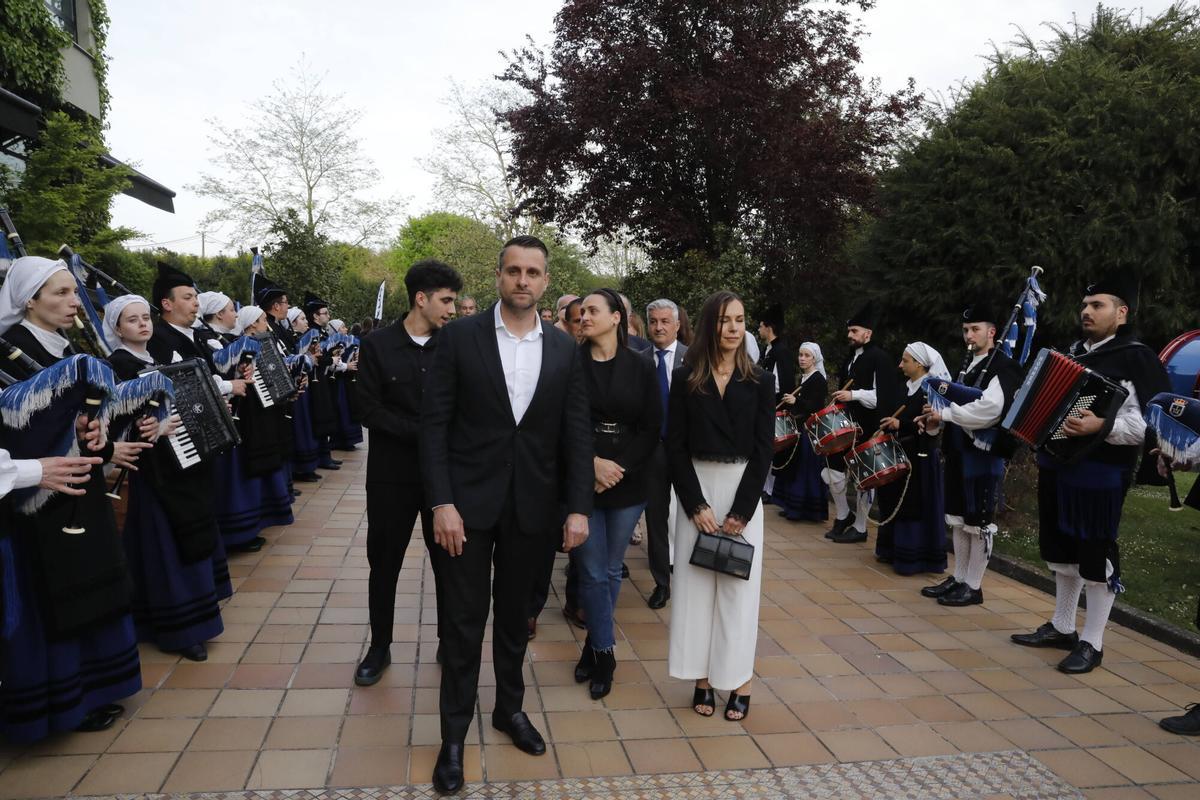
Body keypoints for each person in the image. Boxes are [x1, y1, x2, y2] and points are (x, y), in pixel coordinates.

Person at [420, 235, 592, 794]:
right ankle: (452, 740)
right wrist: (442, 502)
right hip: (464, 509)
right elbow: (434, 427)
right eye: (513, 270)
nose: (523, 280)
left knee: (517, 619)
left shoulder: (566, 349)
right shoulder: (460, 337)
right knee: (463, 625)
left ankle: (508, 709)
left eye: (533, 272)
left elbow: (576, 434)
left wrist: (578, 508)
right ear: (498, 276)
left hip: (535, 509)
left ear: (545, 281)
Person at [0, 256, 142, 739]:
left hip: (77, 488)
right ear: (28, 300)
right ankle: (58, 706)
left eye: (72, 291)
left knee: (91, 585)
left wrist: (101, 441)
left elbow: (84, 424)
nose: (71, 301)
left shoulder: (67, 351)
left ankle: (94, 687)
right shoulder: (8, 352)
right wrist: (36, 469)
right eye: (57, 293)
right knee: (50, 598)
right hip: (32, 500)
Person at [1009, 277, 1169, 674]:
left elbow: (1152, 423)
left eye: (1097, 305)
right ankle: (1063, 625)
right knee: (1062, 552)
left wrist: (1101, 425)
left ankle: (1092, 642)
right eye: (1085, 304)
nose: (1086, 311)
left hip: (1101, 473)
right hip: (1058, 465)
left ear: (1121, 312)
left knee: (1095, 557)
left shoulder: (1137, 358)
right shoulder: (1072, 354)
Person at [104, 294, 231, 663]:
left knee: (186, 533)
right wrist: (152, 430)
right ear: (117, 328)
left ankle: (192, 612)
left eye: (145, 318)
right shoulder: (117, 366)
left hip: (183, 463)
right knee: (165, 547)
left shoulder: (157, 359)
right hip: (153, 471)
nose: (143, 324)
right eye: (132, 320)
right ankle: (179, 627)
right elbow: (110, 424)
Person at [667, 291, 774, 723]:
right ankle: (703, 680)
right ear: (710, 324)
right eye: (725, 320)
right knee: (695, 593)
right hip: (697, 488)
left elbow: (764, 449)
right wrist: (694, 504)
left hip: (741, 489)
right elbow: (673, 445)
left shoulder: (761, 380)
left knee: (737, 593)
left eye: (740, 320)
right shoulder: (687, 376)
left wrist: (742, 511)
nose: (733, 328)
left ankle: (740, 681)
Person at [354, 260, 462, 686]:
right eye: (446, 300)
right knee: (384, 564)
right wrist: (425, 433)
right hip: (390, 476)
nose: (452, 310)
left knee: (448, 563)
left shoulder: (454, 344)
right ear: (421, 298)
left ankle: (448, 640)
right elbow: (367, 409)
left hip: (443, 480)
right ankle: (379, 646)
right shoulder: (377, 345)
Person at [572, 289, 661, 700]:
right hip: (582, 477)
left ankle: (593, 643)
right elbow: (560, 422)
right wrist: (591, 464)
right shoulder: (570, 364)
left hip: (629, 479)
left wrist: (615, 468)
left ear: (615, 318)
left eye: (592, 311)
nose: (584, 316)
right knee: (591, 571)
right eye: (581, 312)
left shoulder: (642, 365)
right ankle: (606, 653)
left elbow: (651, 427)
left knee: (610, 570)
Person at [919, 302, 1023, 606]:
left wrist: (947, 413)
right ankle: (959, 577)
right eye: (966, 329)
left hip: (983, 456)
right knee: (959, 519)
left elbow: (990, 409)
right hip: (959, 451)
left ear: (992, 332)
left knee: (978, 522)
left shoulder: (1003, 366)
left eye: (975, 329)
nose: (969, 334)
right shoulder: (968, 365)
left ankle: (974, 586)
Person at [825, 302, 900, 544]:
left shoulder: (880, 358)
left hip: (869, 426)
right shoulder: (850, 358)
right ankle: (845, 515)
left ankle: (860, 527)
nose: (849, 335)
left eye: (854, 331)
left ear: (868, 333)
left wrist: (854, 395)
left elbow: (883, 397)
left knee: (863, 478)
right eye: (849, 331)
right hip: (846, 425)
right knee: (830, 472)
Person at [874, 343, 948, 575]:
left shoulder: (930, 390)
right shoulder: (904, 386)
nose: (900, 364)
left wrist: (901, 424)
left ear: (919, 363)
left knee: (913, 503)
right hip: (899, 453)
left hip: (920, 456)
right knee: (893, 498)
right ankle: (891, 549)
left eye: (905, 360)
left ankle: (913, 557)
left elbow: (928, 424)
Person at [643, 298, 688, 609]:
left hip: (687, 451)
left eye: (664, 321)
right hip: (652, 452)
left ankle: (693, 578)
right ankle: (662, 582)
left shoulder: (695, 358)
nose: (659, 327)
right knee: (656, 518)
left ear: (677, 325)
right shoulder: (639, 359)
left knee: (693, 514)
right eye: (654, 321)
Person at [772, 342, 829, 522]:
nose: (802, 359)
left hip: (809, 431)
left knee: (806, 468)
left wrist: (795, 401)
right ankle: (792, 506)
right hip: (799, 427)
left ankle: (807, 511)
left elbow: (817, 406)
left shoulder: (818, 379)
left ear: (815, 358)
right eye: (800, 355)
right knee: (795, 467)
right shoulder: (804, 378)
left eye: (807, 356)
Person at [756, 306, 796, 501]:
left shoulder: (782, 351)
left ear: (769, 328)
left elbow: (782, 383)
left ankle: (770, 490)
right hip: (764, 404)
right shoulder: (768, 350)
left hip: (775, 406)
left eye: (761, 326)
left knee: (772, 449)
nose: (758, 329)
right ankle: (764, 487)